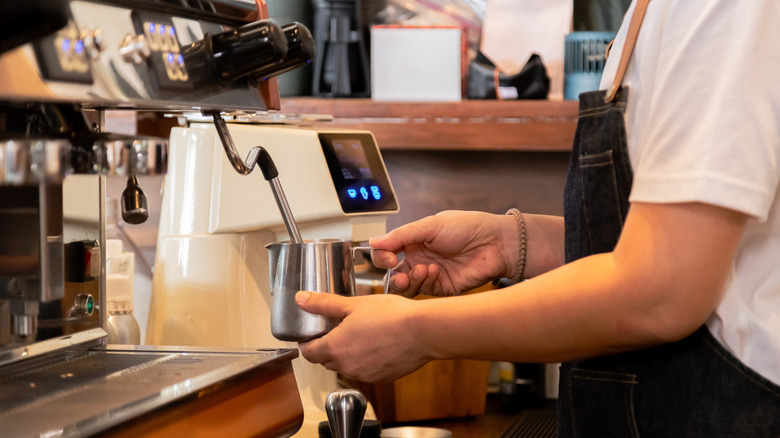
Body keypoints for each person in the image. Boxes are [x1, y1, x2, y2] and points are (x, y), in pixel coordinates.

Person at [296, 0, 780, 435]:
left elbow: (663, 289)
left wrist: (417, 331)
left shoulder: (719, 9)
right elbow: (675, 241)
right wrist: (511, 243)